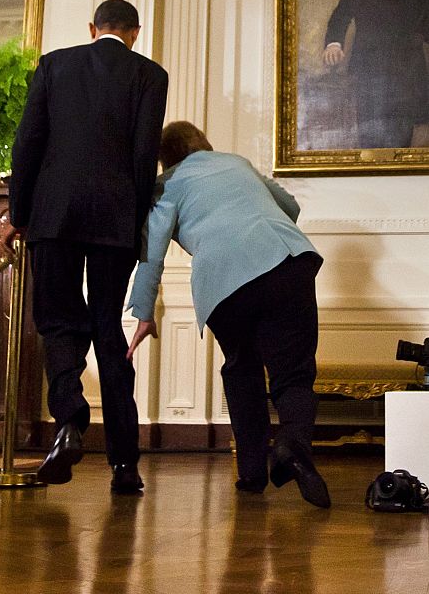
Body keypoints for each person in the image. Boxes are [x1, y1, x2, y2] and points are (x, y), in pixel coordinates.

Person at [126, 121, 330, 508]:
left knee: (241, 369)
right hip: (286, 260)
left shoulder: (167, 184)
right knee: (294, 373)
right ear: (203, 142)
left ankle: (251, 474)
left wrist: (144, 311)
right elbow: (290, 206)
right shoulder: (236, 162)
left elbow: (152, 250)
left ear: (165, 158)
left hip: (222, 281)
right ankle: (291, 444)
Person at [8, 0, 168, 493]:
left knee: (57, 321)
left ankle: (70, 419)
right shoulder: (150, 75)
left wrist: (20, 215)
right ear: (135, 33)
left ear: (92, 28)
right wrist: (134, 224)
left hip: (53, 215)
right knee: (107, 330)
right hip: (114, 220)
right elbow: (144, 156)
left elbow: (26, 144)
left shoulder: (54, 65)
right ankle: (125, 467)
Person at [323, 0, 429, 148]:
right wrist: (334, 43)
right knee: (370, 136)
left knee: (402, 135)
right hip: (370, 74)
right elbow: (340, 17)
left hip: (407, 74)